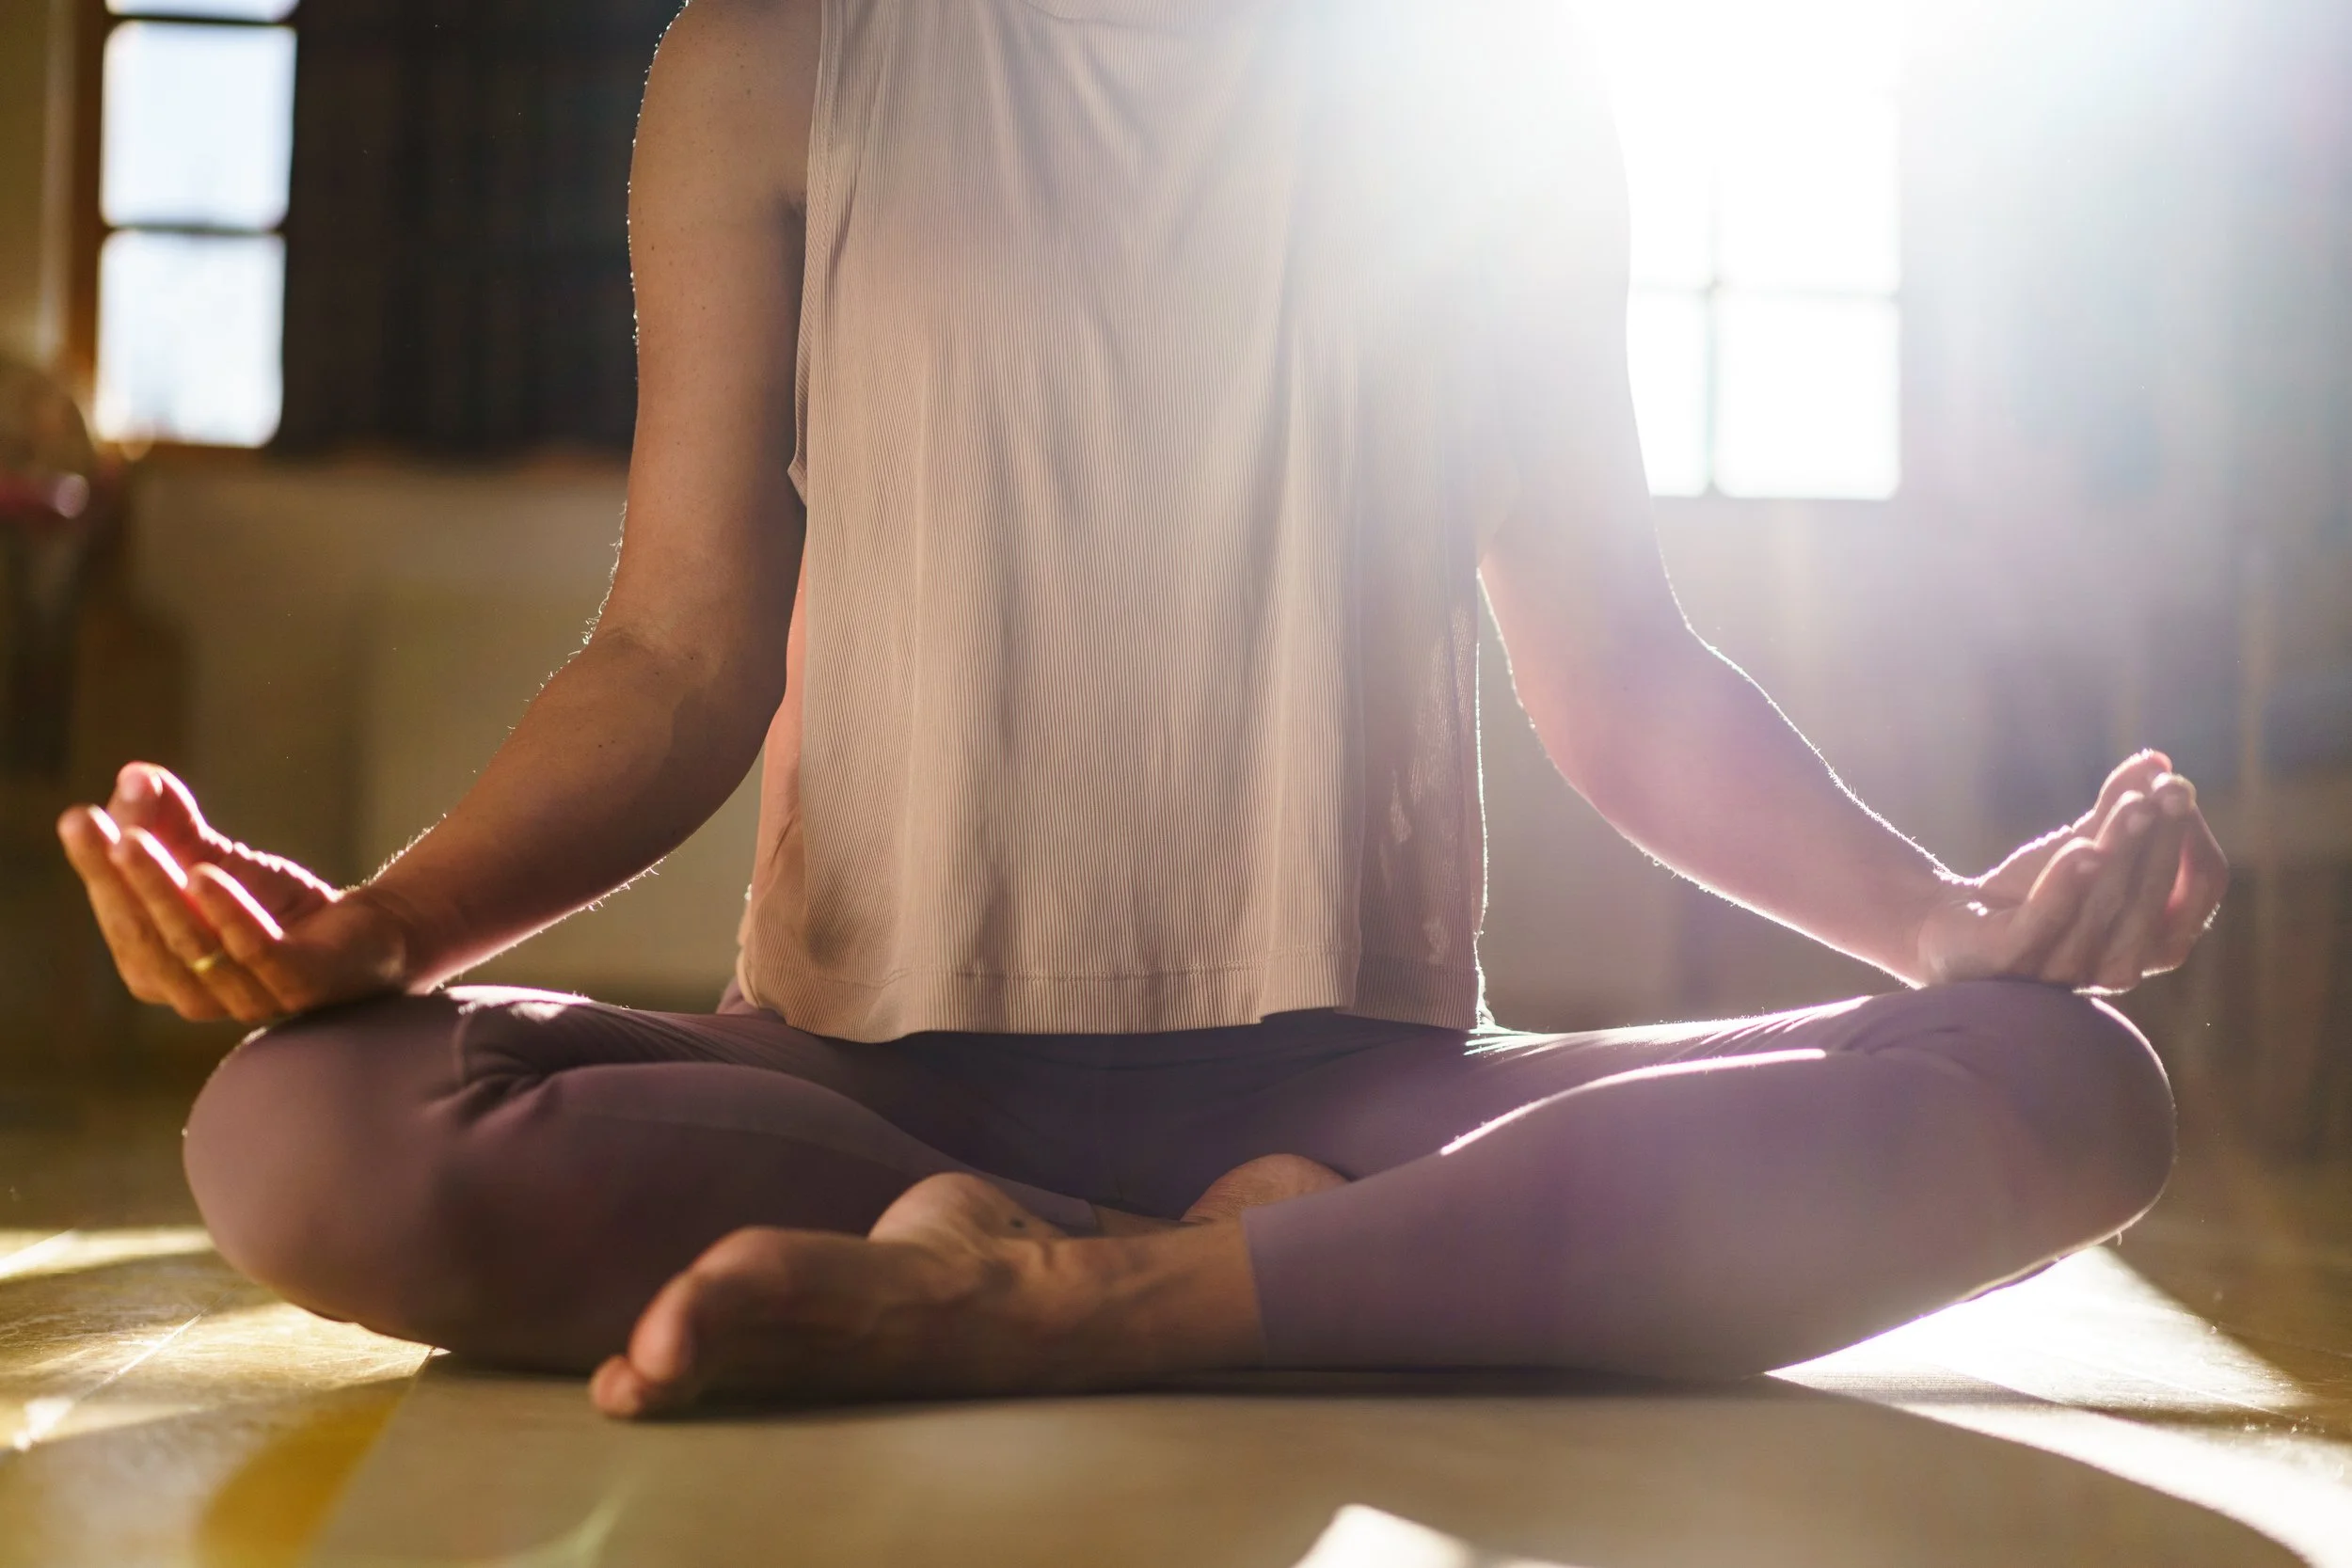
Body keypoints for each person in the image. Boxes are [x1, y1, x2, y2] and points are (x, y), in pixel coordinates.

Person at [58, 0, 2222, 1419]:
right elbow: (679, 652)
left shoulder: (1495, 97)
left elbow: (1618, 667)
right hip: (848, 1103)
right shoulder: (782, 55)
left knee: (2056, 1079)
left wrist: (1940, 921)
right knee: (293, 1124)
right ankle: (1296, 1287)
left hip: (1351, 1096)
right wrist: (380, 932)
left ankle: (1043, 1305)